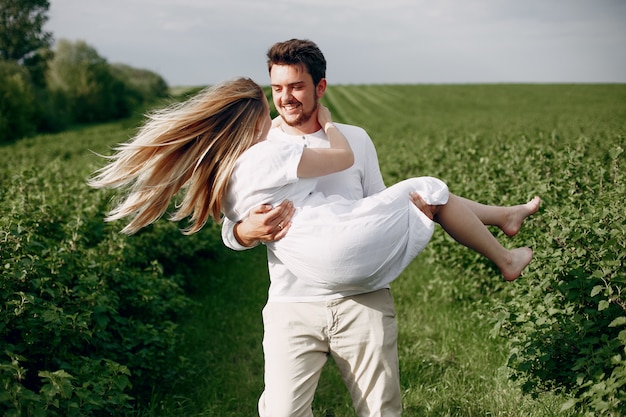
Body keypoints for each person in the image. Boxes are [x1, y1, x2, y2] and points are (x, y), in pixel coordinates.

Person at [89, 76, 540, 415]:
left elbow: (370, 201)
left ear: (318, 87)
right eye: (276, 90)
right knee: (432, 189)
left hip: (357, 298)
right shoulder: (273, 148)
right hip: (296, 301)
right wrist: (249, 231)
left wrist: (400, 219)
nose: (284, 100)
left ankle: (504, 220)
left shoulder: (237, 167)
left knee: (381, 410)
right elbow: (233, 231)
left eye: (295, 87)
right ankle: (504, 234)